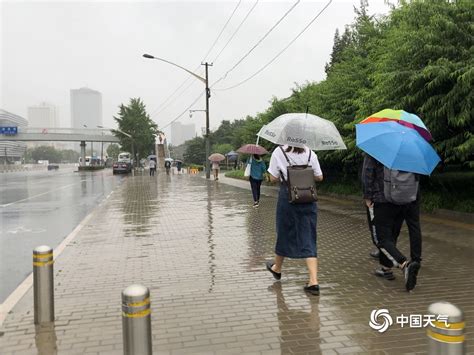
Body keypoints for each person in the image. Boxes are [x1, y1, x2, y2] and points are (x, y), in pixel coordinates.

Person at [265, 145, 323, 296]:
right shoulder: (311, 152)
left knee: (284, 232)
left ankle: (277, 268)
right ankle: (313, 280)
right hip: (307, 197)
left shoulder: (279, 152)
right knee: (308, 235)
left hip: (288, 197)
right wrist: (305, 173)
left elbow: (273, 178)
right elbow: (319, 177)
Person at [362, 154, 422, 291]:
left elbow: (368, 173)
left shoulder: (376, 148)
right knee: (392, 235)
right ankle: (386, 268)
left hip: (381, 199)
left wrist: (367, 195)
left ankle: (404, 264)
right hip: (404, 198)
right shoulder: (408, 148)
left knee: (381, 239)